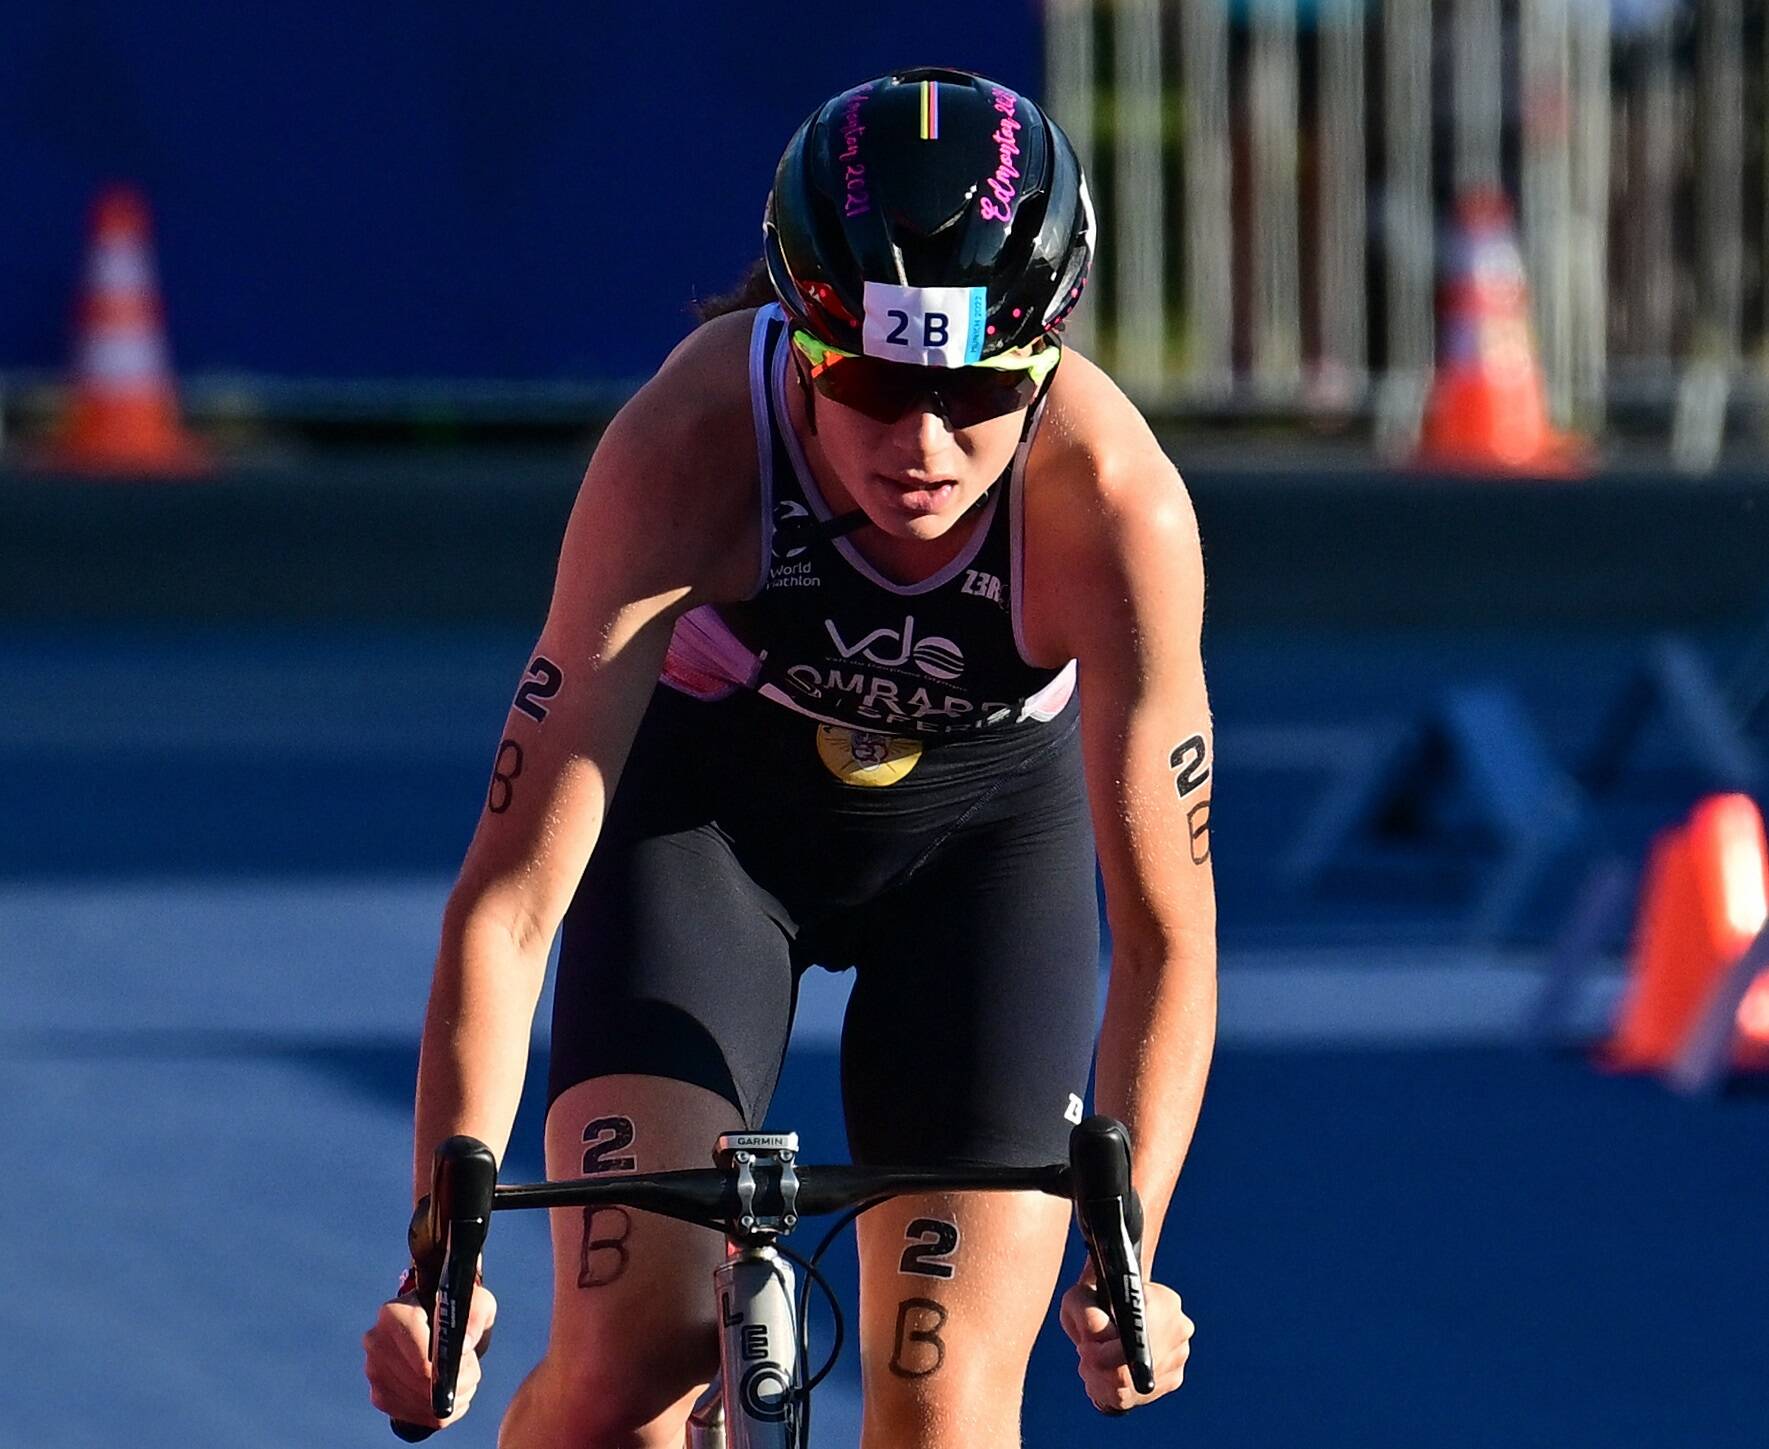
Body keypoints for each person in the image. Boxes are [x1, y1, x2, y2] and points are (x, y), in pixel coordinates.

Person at [363, 66, 1214, 1448]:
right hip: (707, 822)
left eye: (978, 390)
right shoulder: (690, 445)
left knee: (943, 1411)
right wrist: (438, 1270)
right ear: (799, 341)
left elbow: (1168, 934)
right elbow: (512, 893)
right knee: (623, 1368)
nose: (922, 446)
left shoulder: (1113, 506)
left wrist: (1132, 1258)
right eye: (873, 386)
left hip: (981, 849)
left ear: (1047, 354)